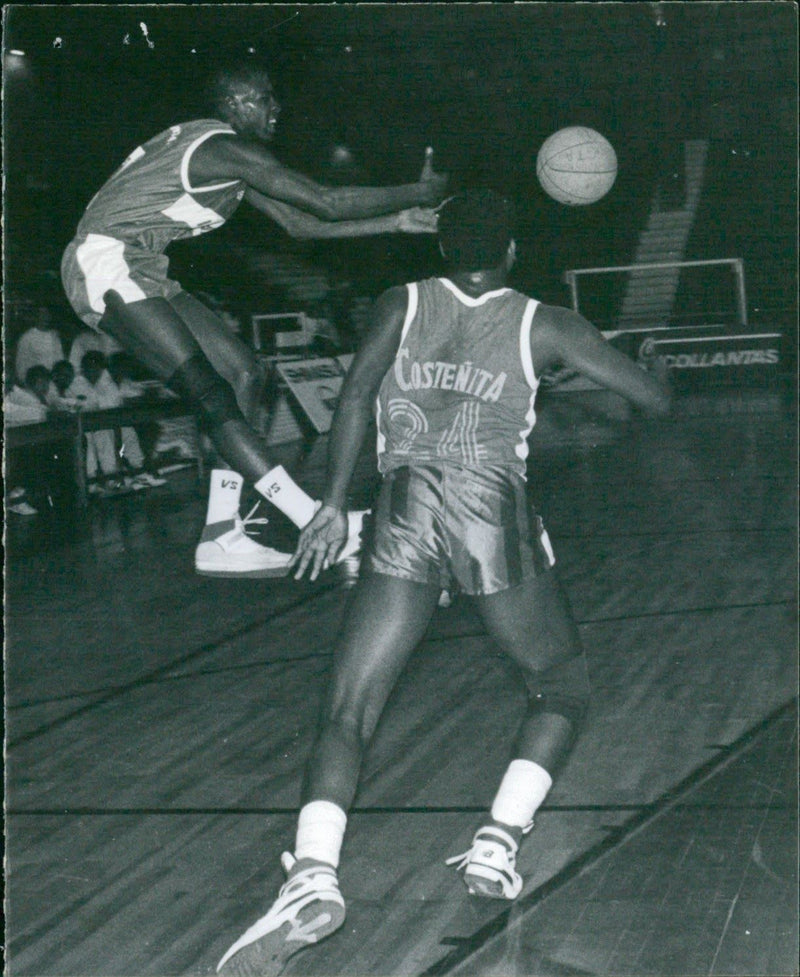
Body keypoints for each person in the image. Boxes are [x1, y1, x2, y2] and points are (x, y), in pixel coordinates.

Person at [214, 189, 671, 976]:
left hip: (403, 501)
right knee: (560, 685)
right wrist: (646, 366)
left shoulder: (402, 300)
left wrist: (329, 504)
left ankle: (313, 875)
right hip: (491, 504)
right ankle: (498, 840)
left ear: (441, 250)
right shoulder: (547, 321)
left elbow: (355, 394)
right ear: (513, 250)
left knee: (349, 709)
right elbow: (653, 401)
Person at [61, 62, 446, 577]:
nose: (275, 109)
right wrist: (415, 193)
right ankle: (314, 519)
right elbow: (326, 202)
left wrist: (395, 222)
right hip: (106, 260)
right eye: (265, 99)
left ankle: (223, 535)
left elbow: (300, 224)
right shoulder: (219, 147)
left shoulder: (232, 160)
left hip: (145, 267)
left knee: (246, 371)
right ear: (237, 103)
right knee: (208, 392)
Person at [14, 305, 64, 385]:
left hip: (54, 384)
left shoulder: (55, 335)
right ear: (35, 316)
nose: (45, 317)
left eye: (47, 314)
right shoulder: (27, 338)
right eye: (42, 314)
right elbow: (21, 368)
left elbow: (60, 360)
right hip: (36, 385)